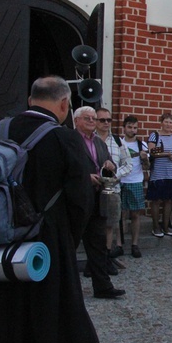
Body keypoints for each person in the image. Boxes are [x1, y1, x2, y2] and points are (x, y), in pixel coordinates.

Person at [0, 76, 109, 343]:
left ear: (31, 100)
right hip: (43, 249)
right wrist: (66, 245)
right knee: (50, 328)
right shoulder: (64, 139)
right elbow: (80, 202)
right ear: (63, 105)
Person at [75, 106, 126, 299]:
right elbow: (64, 168)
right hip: (77, 200)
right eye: (87, 118)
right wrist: (84, 177)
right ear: (76, 121)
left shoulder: (99, 142)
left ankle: (103, 286)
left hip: (98, 199)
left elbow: (109, 164)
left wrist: (110, 166)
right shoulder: (70, 140)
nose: (91, 121)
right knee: (70, 244)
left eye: (93, 118)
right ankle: (65, 287)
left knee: (97, 244)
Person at [95, 108, 133, 269]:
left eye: (108, 120)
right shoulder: (89, 139)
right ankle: (94, 260)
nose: (106, 123)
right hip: (93, 189)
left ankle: (106, 257)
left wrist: (116, 175)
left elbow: (128, 164)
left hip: (112, 190)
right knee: (94, 225)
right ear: (95, 121)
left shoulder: (118, 141)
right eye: (102, 120)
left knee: (110, 224)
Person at [117, 115, 149, 258]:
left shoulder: (142, 145)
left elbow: (148, 166)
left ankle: (135, 244)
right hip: (120, 180)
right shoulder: (118, 143)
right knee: (121, 214)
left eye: (135, 127)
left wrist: (145, 158)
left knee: (135, 214)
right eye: (129, 127)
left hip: (135, 180)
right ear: (124, 128)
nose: (132, 130)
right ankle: (119, 244)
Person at [147, 113, 172, 237]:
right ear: (161, 122)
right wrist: (167, 154)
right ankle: (156, 227)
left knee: (168, 201)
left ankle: (166, 227)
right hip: (158, 174)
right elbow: (152, 152)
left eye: (170, 122)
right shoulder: (154, 135)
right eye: (166, 122)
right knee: (156, 201)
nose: (168, 124)